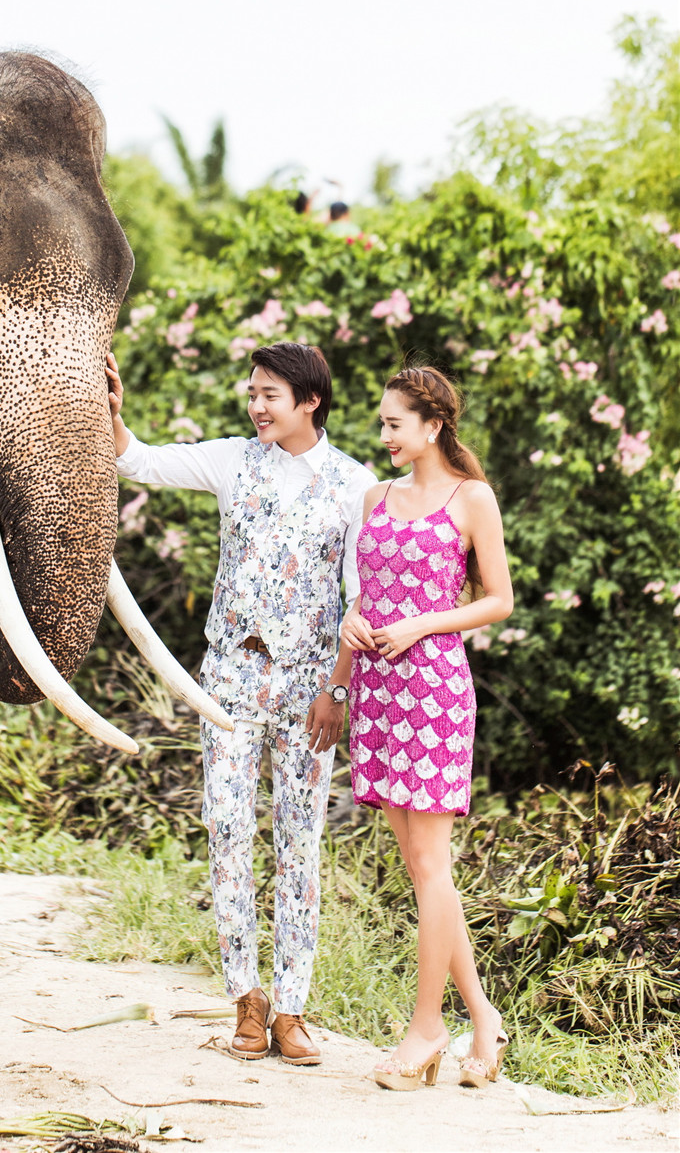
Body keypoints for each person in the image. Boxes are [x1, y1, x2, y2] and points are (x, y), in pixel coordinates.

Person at [106, 342, 376, 1066]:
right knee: (227, 830)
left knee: (299, 845)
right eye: (252, 393)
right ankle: (245, 1002)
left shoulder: (355, 485)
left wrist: (338, 690)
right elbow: (141, 461)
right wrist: (114, 414)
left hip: (310, 688)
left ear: (310, 401)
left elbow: (361, 598)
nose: (256, 406)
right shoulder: (233, 461)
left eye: (270, 395)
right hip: (230, 676)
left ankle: (292, 1009)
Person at [330, 365, 514, 1091]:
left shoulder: (474, 500)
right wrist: (348, 642)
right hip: (377, 691)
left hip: (435, 691)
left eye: (394, 424)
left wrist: (424, 622)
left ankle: (426, 1030)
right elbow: (363, 593)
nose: (384, 436)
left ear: (432, 426)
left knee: (433, 868)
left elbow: (497, 600)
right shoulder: (375, 497)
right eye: (381, 423)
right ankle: (484, 1019)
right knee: (422, 871)